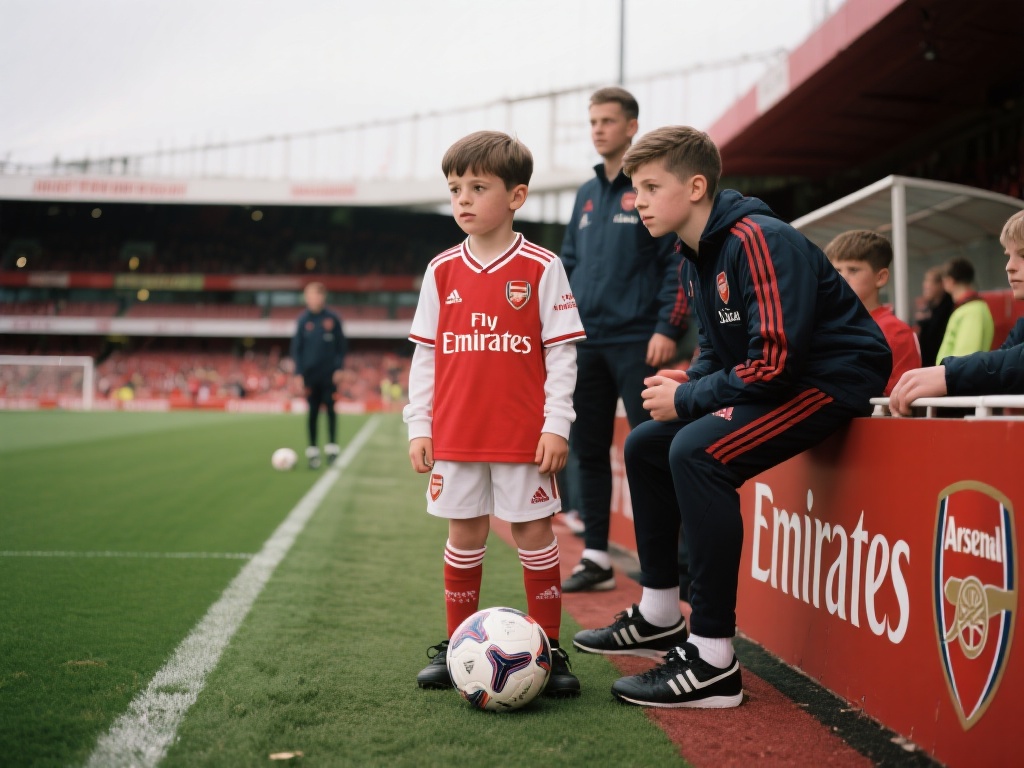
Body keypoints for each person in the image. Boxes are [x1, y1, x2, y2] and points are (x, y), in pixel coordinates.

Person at [572, 126, 891, 708]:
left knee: (696, 451)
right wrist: (690, 382)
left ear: (696, 187)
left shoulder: (758, 238)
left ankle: (714, 657)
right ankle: (660, 614)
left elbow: (775, 361)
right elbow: (721, 351)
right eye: (635, 188)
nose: (636, 200)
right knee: (646, 444)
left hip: (833, 379)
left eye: (649, 186)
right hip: (784, 375)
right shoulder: (696, 249)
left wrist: (691, 400)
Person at [403, 130, 587, 697]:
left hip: (523, 436)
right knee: (464, 534)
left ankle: (551, 652)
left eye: (477, 187)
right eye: (454, 187)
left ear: (517, 196)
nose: (462, 199)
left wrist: (557, 424)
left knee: (534, 533)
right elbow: (426, 354)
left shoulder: (542, 265)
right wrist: (419, 424)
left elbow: (561, 352)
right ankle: (461, 648)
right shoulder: (440, 271)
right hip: (456, 434)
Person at [559, 86, 687, 593]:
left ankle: (676, 563)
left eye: (607, 121)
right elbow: (567, 265)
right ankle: (595, 556)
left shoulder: (648, 187)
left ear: (631, 126)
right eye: (592, 121)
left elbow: (675, 261)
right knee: (588, 449)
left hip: (638, 340)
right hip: (586, 341)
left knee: (653, 449)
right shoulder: (585, 194)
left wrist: (667, 327)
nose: (598, 129)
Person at [890, 210, 1024, 412]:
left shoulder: (973, 310)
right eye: (1008, 255)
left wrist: (949, 374)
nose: (1009, 266)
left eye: (1023, 255)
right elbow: (1006, 358)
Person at [825, 230, 921, 395]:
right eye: (837, 270)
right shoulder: (825, 324)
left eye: (853, 270)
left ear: (881, 278)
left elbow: (899, 398)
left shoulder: (896, 332)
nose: (841, 277)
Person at [290, 281, 347, 469]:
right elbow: (296, 349)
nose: (314, 299)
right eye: (310, 295)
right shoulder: (302, 320)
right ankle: (313, 452)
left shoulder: (332, 319)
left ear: (323, 297)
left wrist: (339, 368)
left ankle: (332, 449)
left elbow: (341, 347)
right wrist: (298, 373)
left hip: (329, 375)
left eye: (317, 295)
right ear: (306, 298)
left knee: (330, 410)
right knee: (312, 412)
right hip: (310, 376)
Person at [933, 257, 994, 364]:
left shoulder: (971, 311)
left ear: (949, 281)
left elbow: (963, 360)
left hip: (955, 378)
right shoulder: (972, 307)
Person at [914, 265, 953, 367]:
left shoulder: (948, 309)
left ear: (941, 284)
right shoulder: (931, 307)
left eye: (929, 281)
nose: (925, 285)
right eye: (925, 281)